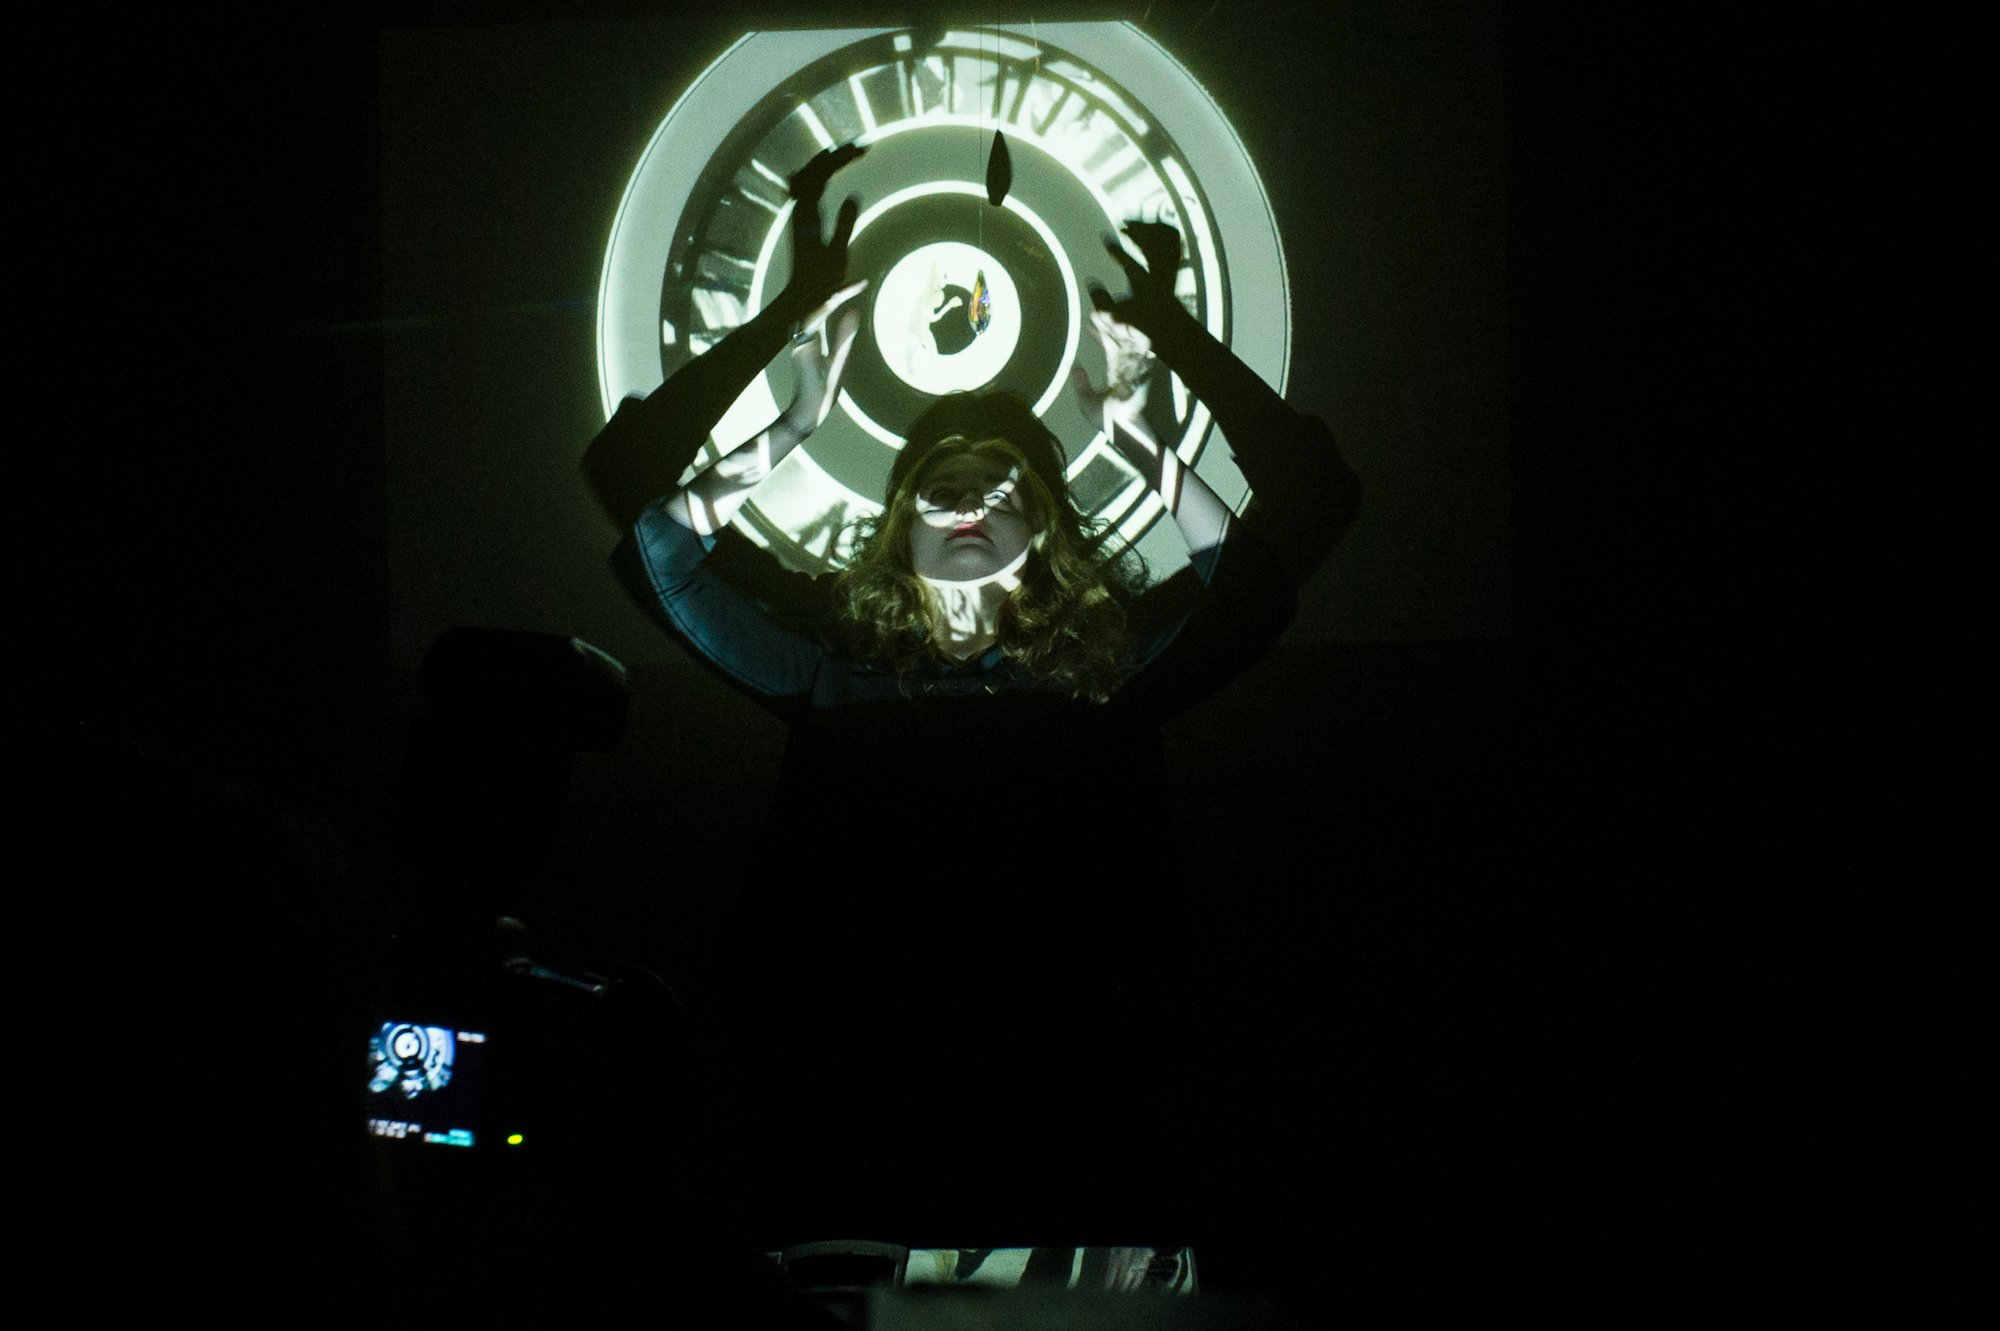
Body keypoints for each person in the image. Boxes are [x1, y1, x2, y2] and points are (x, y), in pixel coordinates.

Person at [583, 144, 1361, 1249]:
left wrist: (1152, 397)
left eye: (1003, 486)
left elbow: (1278, 551)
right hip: (849, 1099)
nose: (967, 501)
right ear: (895, 519)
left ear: (1048, 518)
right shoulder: (830, 657)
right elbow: (652, 536)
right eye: (941, 485)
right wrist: (790, 397)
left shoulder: (1106, 665)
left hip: (1066, 1101)